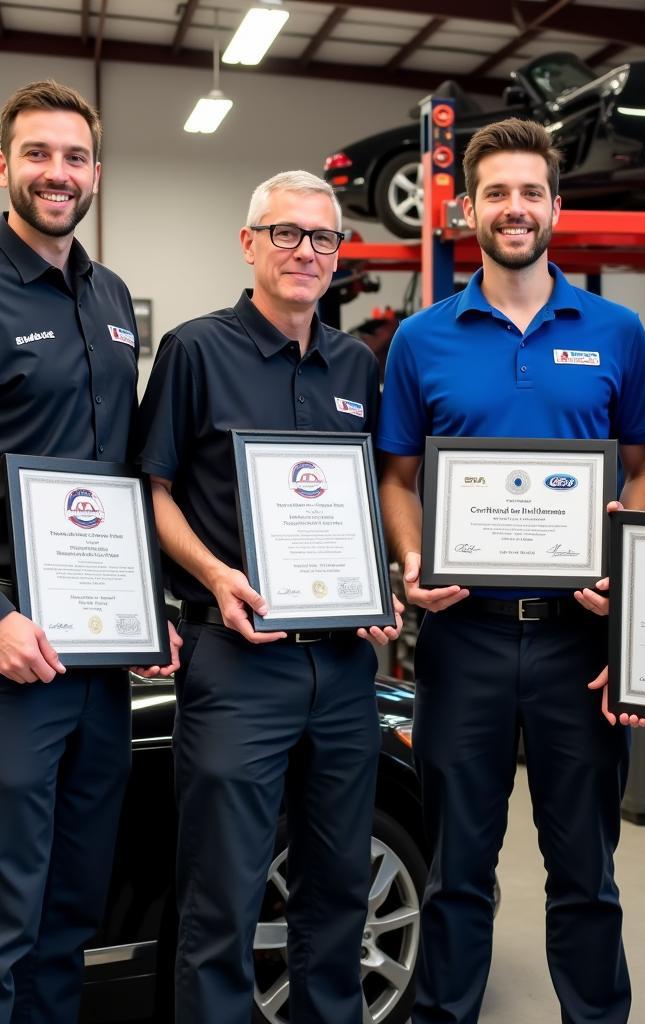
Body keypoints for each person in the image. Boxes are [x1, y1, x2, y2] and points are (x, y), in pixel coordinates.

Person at [377, 118, 645, 1024]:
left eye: (530, 192)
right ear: (468, 210)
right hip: (461, 638)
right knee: (459, 868)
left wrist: (626, 544)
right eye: (496, 192)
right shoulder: (423, 339)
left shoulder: (615, 331)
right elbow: (397, 476)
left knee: (585, 869)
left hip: (575, 642)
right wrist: (413, 557)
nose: (514, 208)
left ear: (554, 205)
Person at [135, 170, 401, 1024]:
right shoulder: (194, 349)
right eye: (286, 233)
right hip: (237, 663)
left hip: (343, 667)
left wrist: (380, 581)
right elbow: (153, 489)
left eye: (323, 238)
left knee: (336, 895)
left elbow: (362, 499)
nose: (306, 252)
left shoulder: (357, 362)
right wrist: (215, 574)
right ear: (249, 243)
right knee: (222, 900)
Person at [0, 80, 180, 1024]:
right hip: (14, 656)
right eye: (37, 154)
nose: (57, 174)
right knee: (6, 911)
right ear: (4, 166)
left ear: (96, 174)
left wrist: (150, 606)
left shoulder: (109, 296)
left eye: (74, 158)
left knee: (75, 901)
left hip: (102, 652)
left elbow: (121, 474)